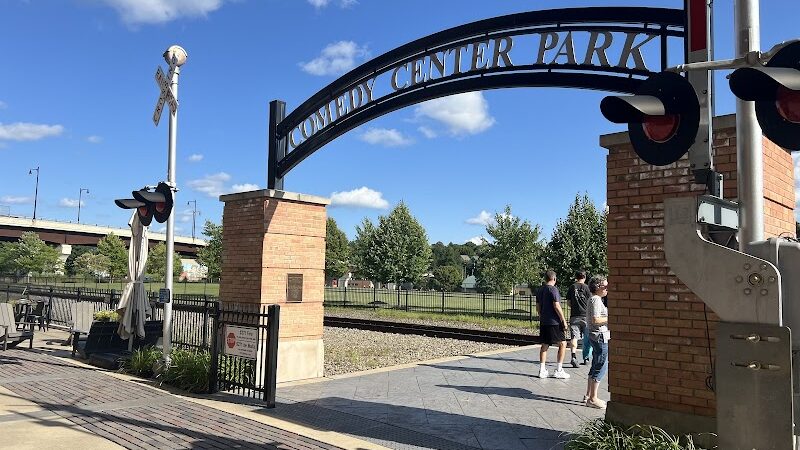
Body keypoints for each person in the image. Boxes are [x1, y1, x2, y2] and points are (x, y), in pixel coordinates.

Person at [535, 270, 570, 379]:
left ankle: (542, 370)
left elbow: (538, 306)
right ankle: (559, 370)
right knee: (563, 344)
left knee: (545, 345)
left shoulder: (540, 290)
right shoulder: (553, 290)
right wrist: (563, 320)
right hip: (554, 322)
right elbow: (556, 305)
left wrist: (541, 316)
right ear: (554, 279)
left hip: (544, 321)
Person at [584, 275, 610, 409]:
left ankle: (588, 395)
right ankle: (593, 398)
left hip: (597, 336)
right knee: (600, 365)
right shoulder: (595, 300)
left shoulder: (595, 299)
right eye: (605, 286)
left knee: (595, 363)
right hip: (600, 337)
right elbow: (595, 320)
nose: (607, 289)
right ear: (598, 287)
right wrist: (610, 318)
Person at [566, 270, 592, 367]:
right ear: (584, 277)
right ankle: (586, 358)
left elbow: (568, 302)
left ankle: (573, 356)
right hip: (586, 316)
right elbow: (590, 301)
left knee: (574, 337)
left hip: (574, 316)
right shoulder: (587, 288)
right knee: (587, 338)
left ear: (576, 277)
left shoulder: (572, 287)